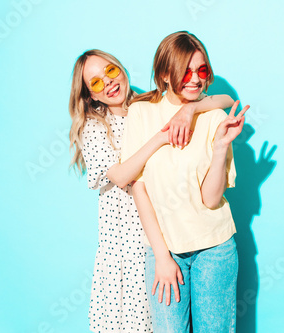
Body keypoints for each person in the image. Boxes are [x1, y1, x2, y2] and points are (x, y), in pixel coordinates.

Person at [68, 49, 234, 332]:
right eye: (95, 83)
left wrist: (189, 108)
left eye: (110, 71)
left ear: (120, 68)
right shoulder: (95, 128)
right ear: (90, 95)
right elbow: (122, 176)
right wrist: (160, 137)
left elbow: (226, 100)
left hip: (165, 232)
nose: (107, 83)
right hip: (126, 241)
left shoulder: (147, 104)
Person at [121, 31, 249, 333]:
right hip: (165, 251)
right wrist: (162, 257)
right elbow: (138, 188)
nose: (195, 79)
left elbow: (210, 200)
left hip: (215, 249)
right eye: (185, 71)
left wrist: (220, 148)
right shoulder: (141, 113)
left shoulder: (216, 116)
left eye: (202, 70)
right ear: (165, 74)